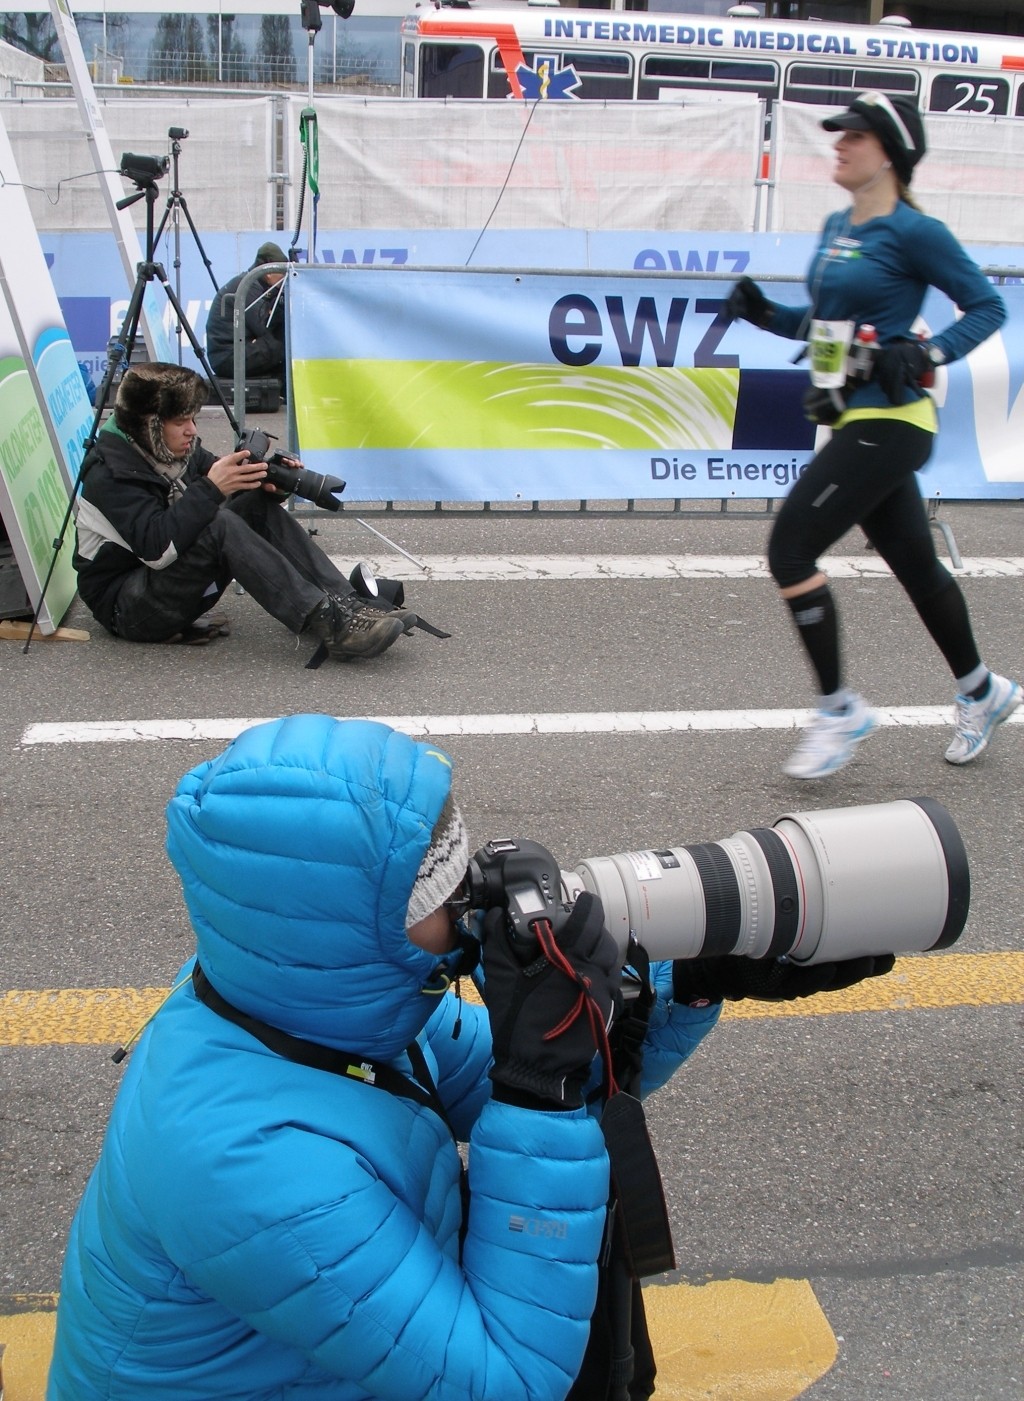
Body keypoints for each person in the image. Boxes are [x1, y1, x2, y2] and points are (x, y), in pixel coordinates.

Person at [47, 713, 894, 1401]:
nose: (471, 902)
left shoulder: (323, 1002)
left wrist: (696, 974)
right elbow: (513, 1380)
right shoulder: (248, 1170)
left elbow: (558, 1064)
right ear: (348, 928)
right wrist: (542, 1094)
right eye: (437, 889)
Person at [727, 92, 1021, 779]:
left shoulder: (916, 231)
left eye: (852, 135)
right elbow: (826, 323)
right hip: (851, 420)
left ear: (887, 149)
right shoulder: (837, 224)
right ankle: (983, 690)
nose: (838, 144)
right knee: (917, 566)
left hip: (895, 421)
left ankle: (838, 710)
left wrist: (927, 354)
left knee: (791, 548)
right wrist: (764, 313)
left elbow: (988, 305)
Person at [73, 362, 416, 662]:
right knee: (216, 522)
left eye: (193, 418)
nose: (192, 430)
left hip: (164, 588)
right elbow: (157, 551)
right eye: (181, 421)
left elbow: (227, 492)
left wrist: (270, 483)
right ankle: (330, 623)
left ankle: (347, 603)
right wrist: (212, 488)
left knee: (251, 505)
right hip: (128, 607)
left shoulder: (166, 447)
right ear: (148, 424)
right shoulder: (111, 472)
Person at [205, 241, 288, 386]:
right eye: (283, 273)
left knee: (280, 339)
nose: (285, 279)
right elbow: (264, 326)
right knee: (281, 340)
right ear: (268, 272)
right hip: (228, 357)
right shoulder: (248, 286)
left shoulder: (252, 284)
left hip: (234, 351)